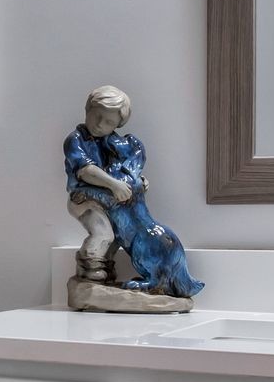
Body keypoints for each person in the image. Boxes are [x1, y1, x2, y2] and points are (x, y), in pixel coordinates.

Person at [63, 85, 203, 300]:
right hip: (84, 198)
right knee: (104, 234)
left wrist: (137, 180)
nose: (100, 125)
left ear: (117, 124)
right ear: (87, 109)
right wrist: (115, 185)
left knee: (119, 234)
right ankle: (89, 272)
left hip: (110, 199)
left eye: (109, 122)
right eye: (97, 116)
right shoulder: (76, 140)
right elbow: (86, 171)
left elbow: (123, 166)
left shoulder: (109, 141)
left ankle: (105, 272)